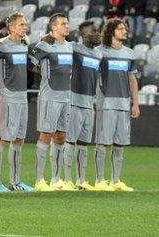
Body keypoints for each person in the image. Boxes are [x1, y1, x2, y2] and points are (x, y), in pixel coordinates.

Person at [44, 22, 103, 191]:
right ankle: (66, 178)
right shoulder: (73, 48)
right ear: (83, 34)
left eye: (97, 31)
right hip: (74, 99)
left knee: (83, 143)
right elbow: (53, 42)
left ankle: (81, 180)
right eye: (93, 31)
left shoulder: (99, 54)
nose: (96, 34)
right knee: (69, 141)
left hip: (88, 102)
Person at [94, 18, 140, 191]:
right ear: (111, 31)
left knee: (120, 142)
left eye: (125, 28)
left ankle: (115, 180)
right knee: (102, 142)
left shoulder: (129, 53)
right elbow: (92, 78)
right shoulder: (99, 52)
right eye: (120, 29)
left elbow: (132, 79)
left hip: (123, 103)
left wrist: (135, 103)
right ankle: (100, 181)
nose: (124, 31)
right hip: (105, 102)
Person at [0, 12, 34, 192]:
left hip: (22, 97)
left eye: (25, 24)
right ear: (11, 27)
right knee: (1, 139)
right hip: (5, 97)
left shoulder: (24, 45)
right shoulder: (0, 46)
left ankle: (15, 181)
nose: (25, 27)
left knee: (18, 139)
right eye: (21, 25)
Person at [30, 13, 73, 191]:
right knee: (46, 135)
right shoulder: (44, 45)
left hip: (66, 97)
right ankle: (40, 180)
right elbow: (29, 62)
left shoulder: (70, 47)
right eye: (63, 24)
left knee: (61, 136)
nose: (67, 26)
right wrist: (44, 73)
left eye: (67, 23)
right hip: (50, 97)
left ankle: (56, 179)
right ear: (54, 27)